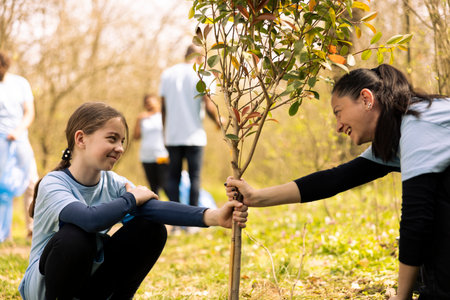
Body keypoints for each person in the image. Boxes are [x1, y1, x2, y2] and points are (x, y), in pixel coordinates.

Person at [225, 64, 450, 300]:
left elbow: (416, 219)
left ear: (366, 99)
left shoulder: (418, 126)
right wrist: (256, 196)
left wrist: (401, 296)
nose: (338, 126)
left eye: (338, 112)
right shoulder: (402, 130)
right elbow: (335, 179)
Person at [19, 102, 247, 300]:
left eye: (122, 141)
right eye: (112, 139)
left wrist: (214, 216)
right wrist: (131, 198)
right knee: (76, 236)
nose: (120, 148)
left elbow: (155, 209)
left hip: (87, 282)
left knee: (151, 228)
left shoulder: (113, 182)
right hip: (45, 289)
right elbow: (90, 220)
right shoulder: (54, 183)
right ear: (81, 139)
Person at [160, 44, 221, 206]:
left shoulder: (168, 74)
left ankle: (177, 218)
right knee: (194, 177)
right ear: (201, 57)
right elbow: (208, 104)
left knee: (174, 177)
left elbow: (163, 108)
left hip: (172, 136)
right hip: (194, 136)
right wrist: (218, 121)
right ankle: (193, 220)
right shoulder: (203, 74)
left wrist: (164, 134)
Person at [0, 51, 38, 240]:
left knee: (32, 182)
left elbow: (29, 112)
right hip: (0, 141)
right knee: (2, 187)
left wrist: (19, 130)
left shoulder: (20, 83)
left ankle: (32, 227)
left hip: (20, 138)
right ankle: (3, 233)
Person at [133, 94, 169, 196]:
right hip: (146, 156)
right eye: (146, 103)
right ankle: (157, 210)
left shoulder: (163, 116)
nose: (148, 104)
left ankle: (176, 208)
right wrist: (138, 120)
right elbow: (136, 137)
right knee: (153, 187)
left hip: (162, 155)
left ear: (157, 102)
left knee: (166, 185)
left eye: (151, 101)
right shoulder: (143, 118)